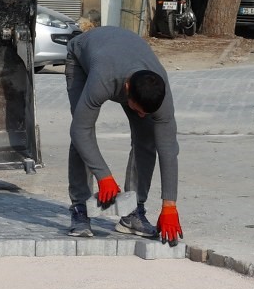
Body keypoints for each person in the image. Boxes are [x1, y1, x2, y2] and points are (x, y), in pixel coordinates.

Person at [65, 25, 183, 244]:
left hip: (122, 55)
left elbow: (168, 149)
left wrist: (170, 205)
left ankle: (133, 212)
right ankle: (80, 208)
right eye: (137, 109)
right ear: (126, 88)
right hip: (83, 58)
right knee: (82, 131)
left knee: (147, 137)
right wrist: (104, 176)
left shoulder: (160, 89)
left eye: (145, 112)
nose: (140, 115)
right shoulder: (104, 79)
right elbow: (80, 131)